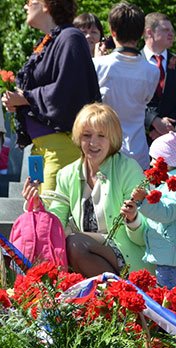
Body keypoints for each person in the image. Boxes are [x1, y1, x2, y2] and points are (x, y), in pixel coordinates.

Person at [21, 103, 149, 276]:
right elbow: (56, 225)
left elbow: (144, 236)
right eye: (87, 135)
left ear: (112, 139)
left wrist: (133, 219)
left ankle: (115, 290)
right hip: (87, 254)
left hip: (130, 260)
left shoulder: (129, 169)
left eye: (101, 136)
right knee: (70, 243)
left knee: (75, 243)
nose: (93, 143)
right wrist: (38, 206)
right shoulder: (66, 174)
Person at [2, 0, 100, 192]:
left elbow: (70, 91)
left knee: (52, 209)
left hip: (60, 147)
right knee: (35, 206)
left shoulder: (71, 37)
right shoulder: (49, 41)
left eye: (29, 1)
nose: (25, 6)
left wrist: (25, 98)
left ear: (47, 4)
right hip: (39, 149)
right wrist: (18, 102)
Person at [93, 2, 159, 170]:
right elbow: (147, 100)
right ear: (142, 33)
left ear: (112, 31)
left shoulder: (97, 65)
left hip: (105, 151)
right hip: (138, 151)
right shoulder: (152, 71)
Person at [130, 132, 176, 289]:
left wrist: (143, 199)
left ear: (167, 161)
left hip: (173, 258)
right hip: (171, 255)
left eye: (154, 158)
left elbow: (167, 213)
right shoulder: (173, 183)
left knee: (167, 294)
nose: (151, 163)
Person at [143, 12, 176, 144]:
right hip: (141, 136)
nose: (171, 34)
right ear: (149, 32)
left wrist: (167, 128)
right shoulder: (135, 61)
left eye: (172, 30)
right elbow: (130, 100)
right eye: (165, 30)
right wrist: (153, 121)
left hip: (172, 135)